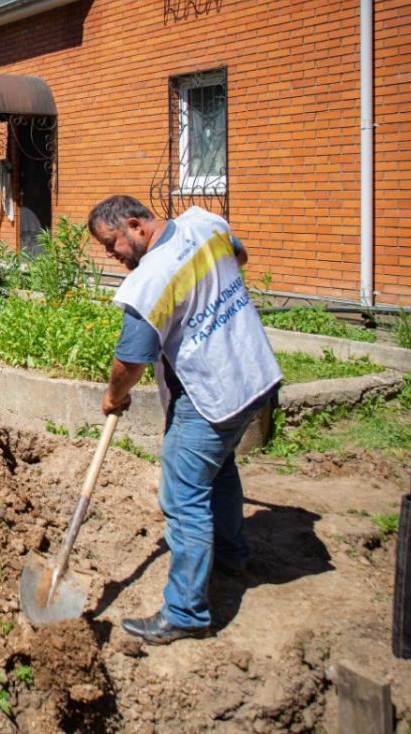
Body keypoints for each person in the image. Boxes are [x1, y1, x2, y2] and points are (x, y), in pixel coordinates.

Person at [87, 194, 280, 645]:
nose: (111, 255)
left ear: (135, 225)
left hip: (210, 394)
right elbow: (241, 255)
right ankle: (232, 553)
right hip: (252, 374)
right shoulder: (204, 224)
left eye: (111, 243)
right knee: (220, 467)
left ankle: (187, 613)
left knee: (184, 495)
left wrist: (114, 397)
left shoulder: (149, 282)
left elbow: (129, 360)